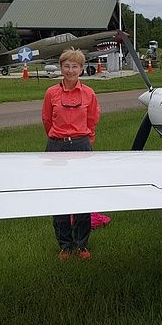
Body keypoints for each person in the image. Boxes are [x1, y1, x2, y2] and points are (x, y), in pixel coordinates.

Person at [41, 48, 101, 260]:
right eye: (66, 66)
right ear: (61, 68)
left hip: (81, 145)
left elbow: (92, 120)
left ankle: (81, 245)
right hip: (56, 147)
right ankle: (65, 246)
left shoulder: (89, 94)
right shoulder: (51, 93)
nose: (70, 70)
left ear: (81, 69)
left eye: (75, 66)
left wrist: (85, 141)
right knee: (59, 196)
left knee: (82, 195)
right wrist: (57, 138)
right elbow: (47, 119)